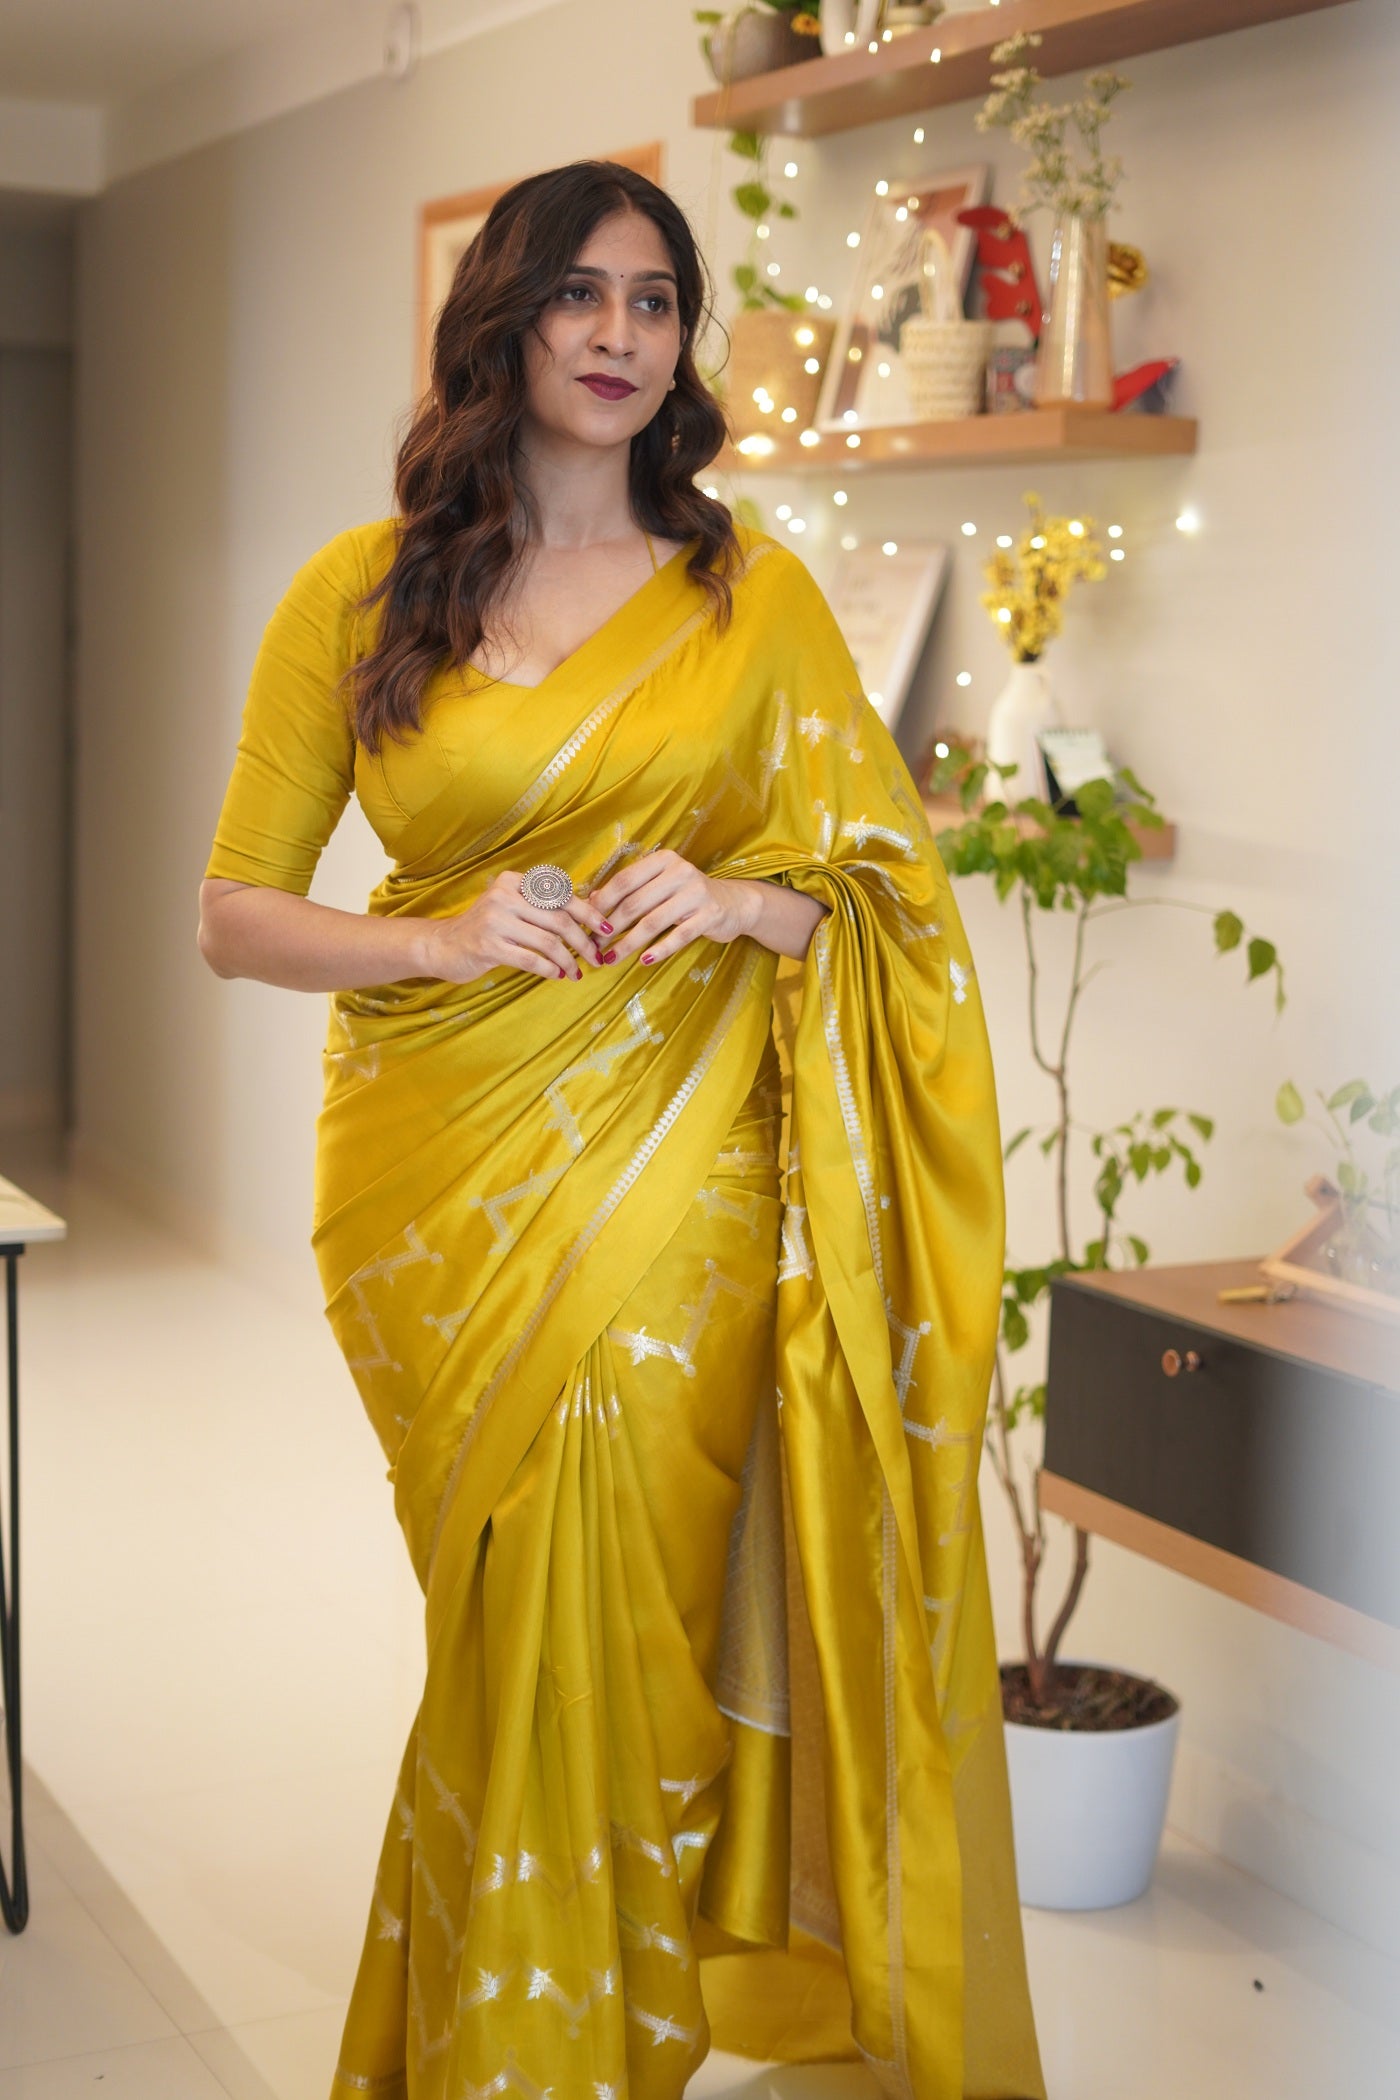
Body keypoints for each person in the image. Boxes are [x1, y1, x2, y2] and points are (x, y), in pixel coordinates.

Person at [198, 158, 1045, 2100]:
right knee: (499, 1617)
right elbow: (234, 912)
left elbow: (881, 883)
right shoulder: (358, 587)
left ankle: (572, 2050)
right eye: (576, 295)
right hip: (433, 1179)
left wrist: (745, 903)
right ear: (501, 321)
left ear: (681, 341)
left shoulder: (747, 596)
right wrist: (438, 933)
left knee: (624, 1601)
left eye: (652, 300)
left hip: (683, 1176)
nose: (614, 334)